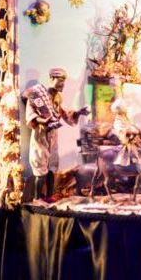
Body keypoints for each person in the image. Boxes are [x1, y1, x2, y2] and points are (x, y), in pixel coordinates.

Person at [25, 68, 89, 200]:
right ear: (51, 79)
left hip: (53, 135)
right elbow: (30, 114)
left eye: (63, 81)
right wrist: (43, 120)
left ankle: (49, 196)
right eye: (60, 81)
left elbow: (63, 113)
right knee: (40, 166)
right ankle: (37, 199)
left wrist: (78, 113)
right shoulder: (37, 95)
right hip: (41, 134)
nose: (62, 84)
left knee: (52, 166)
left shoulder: (59, 97)